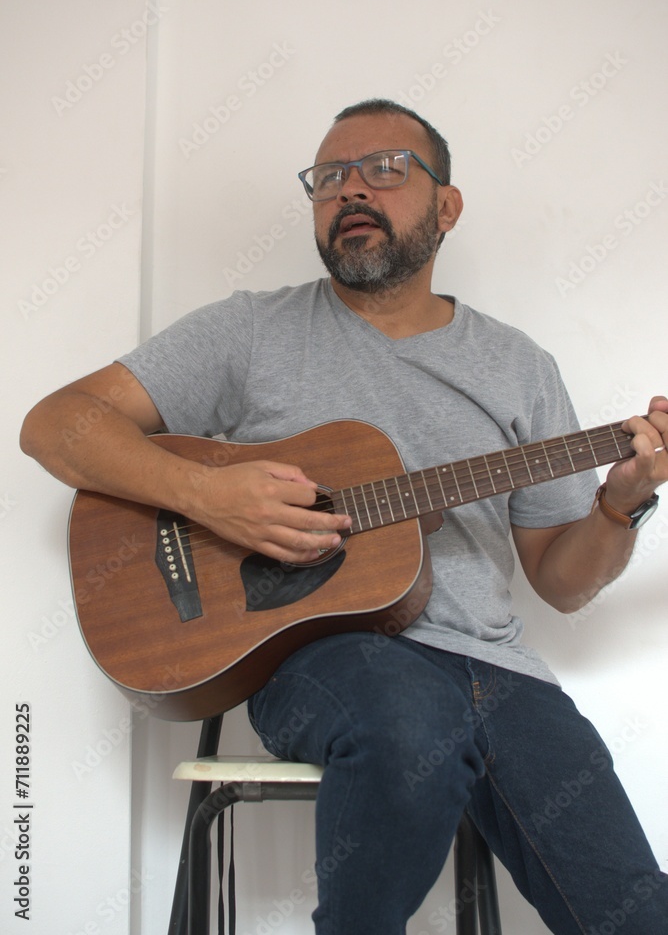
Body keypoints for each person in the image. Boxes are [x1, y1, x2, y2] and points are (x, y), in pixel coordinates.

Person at [21, 98, 668, 934]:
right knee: (409, 721)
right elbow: (56, 425)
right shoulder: (250, 330)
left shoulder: (518, 366)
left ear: (447, 205)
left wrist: (620, 504)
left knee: (634, 909)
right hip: (325, 662)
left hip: (497, 674)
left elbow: (563, 582)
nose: (350, 190)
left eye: (385, 169)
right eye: (329, 177)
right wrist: (210, 494)